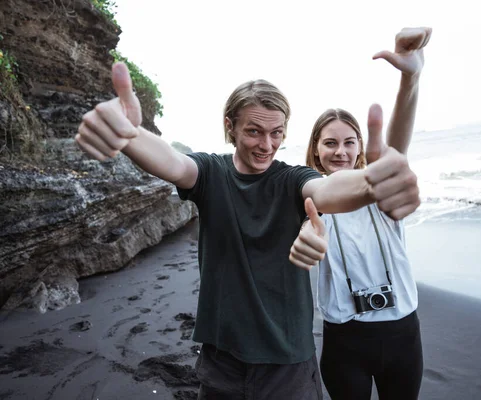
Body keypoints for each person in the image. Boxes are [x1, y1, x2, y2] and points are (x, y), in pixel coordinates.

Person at [74, 52, 421, 398]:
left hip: (289, 361)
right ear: (230, 126)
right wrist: (132, 136)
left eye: (276, 133)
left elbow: (327, 189)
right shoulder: (211, 173)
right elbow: (173, 163)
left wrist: (371, 184)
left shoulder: (292, 179)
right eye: (254, 131)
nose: (266, 145)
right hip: (222, 360)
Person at [289, 27, 432, 400]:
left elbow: (398, 144)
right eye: (330, 143)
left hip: (402, 333)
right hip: (344, 340)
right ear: (316, 151)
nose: (340, 151)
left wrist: (410, 77)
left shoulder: (379, 189)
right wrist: (307, 233)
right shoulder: (314, 196)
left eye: (349, 142)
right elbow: (309, 219)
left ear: (361, 148)